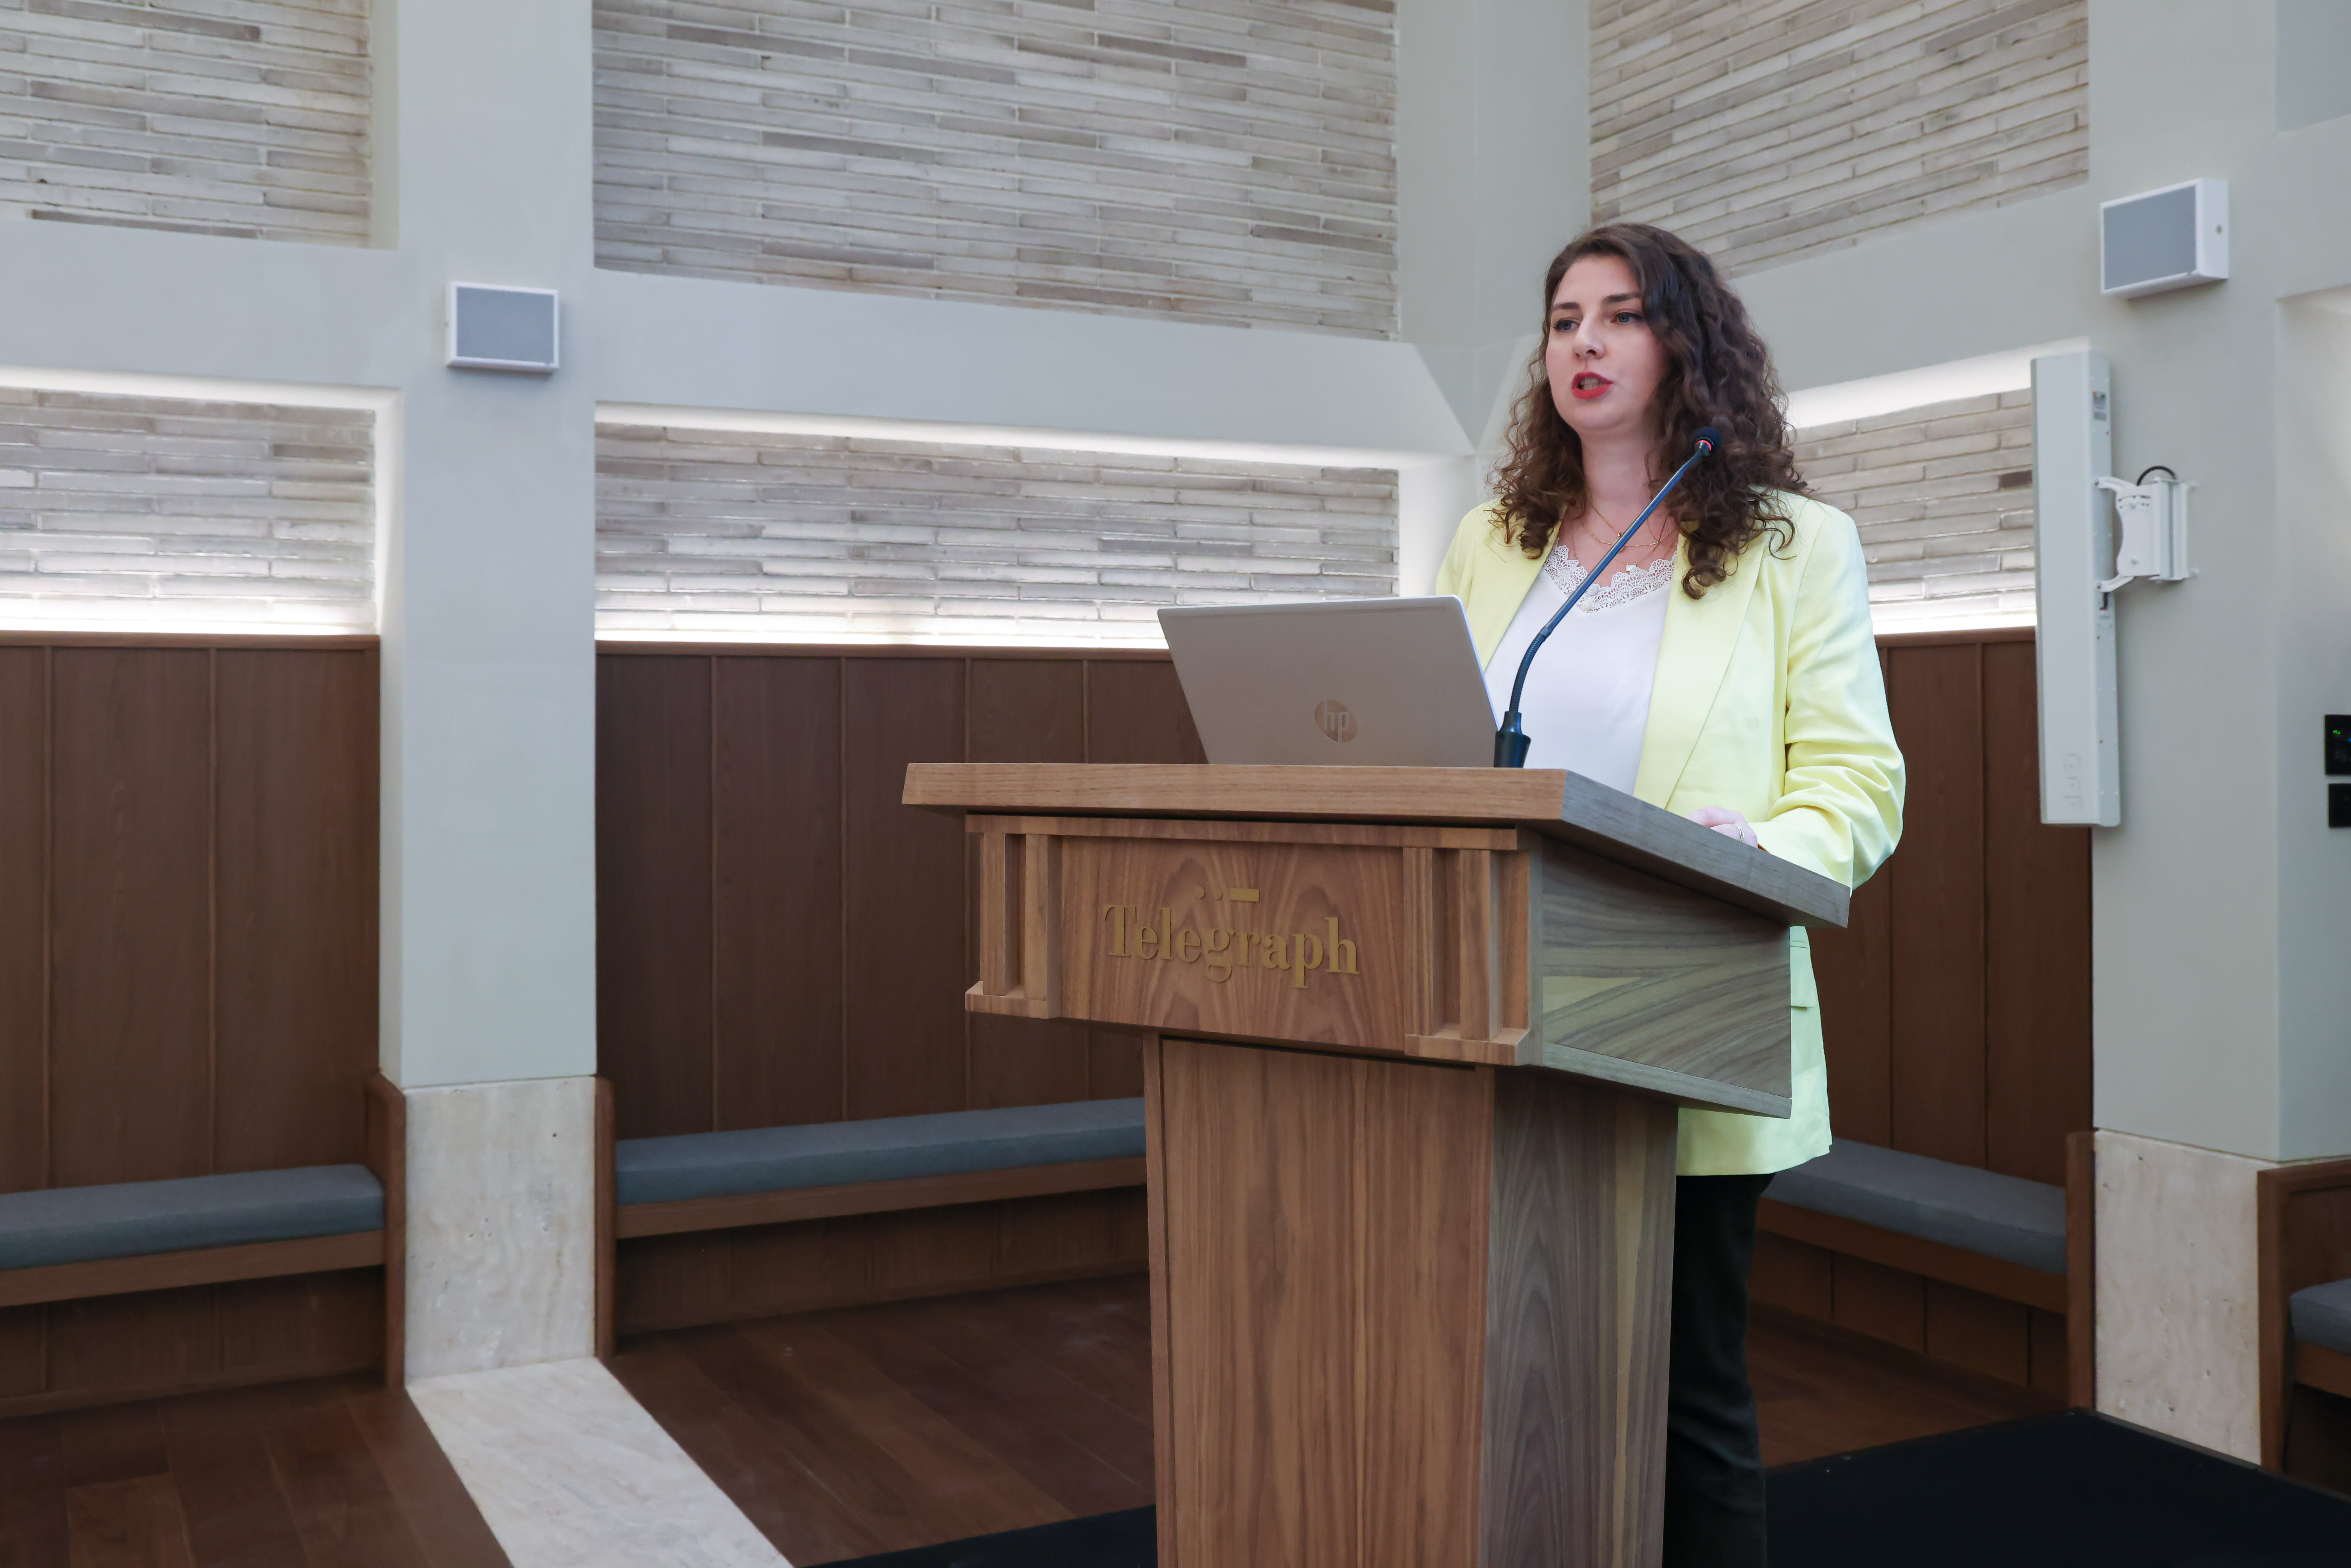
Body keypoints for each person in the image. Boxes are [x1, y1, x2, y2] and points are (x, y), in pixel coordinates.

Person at [1433, 222, 1905, 1567]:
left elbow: (1859, 782)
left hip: (1677, 1001)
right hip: (1487, 1004)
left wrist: (1753, 844)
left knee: (1683, 1398)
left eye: (1622, 315)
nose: (1583, 341)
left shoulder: (1794, 547)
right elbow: (1434, 751)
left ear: (1685, 344)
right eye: (1562, 320)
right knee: (1504, 1379)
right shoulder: (1489, 544)